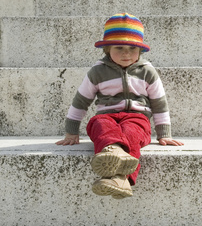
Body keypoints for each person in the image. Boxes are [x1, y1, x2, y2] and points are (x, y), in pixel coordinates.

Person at [56, 13, 183, 199]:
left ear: (141, 51)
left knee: (132, 132)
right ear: (107, 49)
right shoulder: (97, 72)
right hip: (107, 116)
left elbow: (159, 102)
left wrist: (164, 133)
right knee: (99, 125)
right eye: (119, 48)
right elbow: (81, 101)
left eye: (133, 48)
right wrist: (71, 131)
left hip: (136, 117)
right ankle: (119, 167)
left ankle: (117, 169)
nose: (126, 53)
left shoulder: (147, 71)